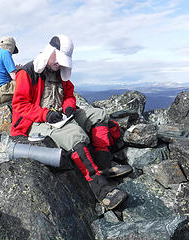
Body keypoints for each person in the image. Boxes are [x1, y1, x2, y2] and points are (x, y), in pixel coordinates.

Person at [10, 34, 132, 210]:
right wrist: (46, 115)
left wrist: (68, 107)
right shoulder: (28, 73)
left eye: (62, 60)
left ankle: (104, 164)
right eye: (58, 59)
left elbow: (68, 95)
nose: (59, 63)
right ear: (49, 52)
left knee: (98, 115)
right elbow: (20, 106)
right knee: (75, 135)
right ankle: (101, 189)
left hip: (59, 115)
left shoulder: (59, 72)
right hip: (34, 121)